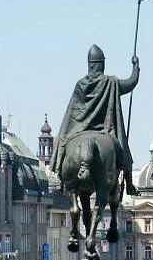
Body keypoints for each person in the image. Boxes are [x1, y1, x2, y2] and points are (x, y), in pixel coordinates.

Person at [50, 44, 142, 197]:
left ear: (89, 65)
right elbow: (131, 83)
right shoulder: (111, 82)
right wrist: (135, 66)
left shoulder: (80, 84)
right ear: (102, 64)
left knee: (61, 140)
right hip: (106, 130)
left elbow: (72, 113)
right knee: (124, 150)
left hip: (79, 129)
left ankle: (60, 176)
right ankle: (129, 184)